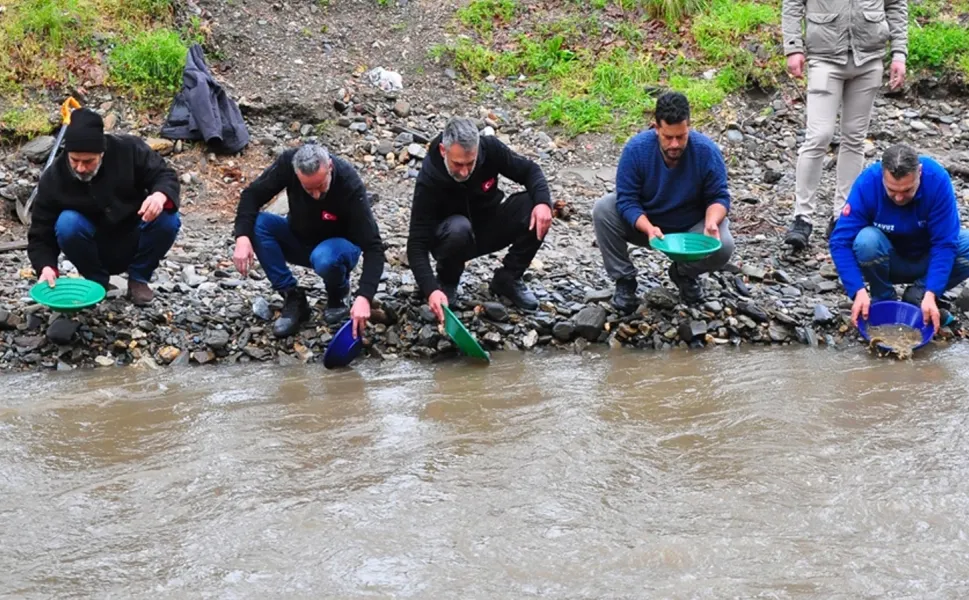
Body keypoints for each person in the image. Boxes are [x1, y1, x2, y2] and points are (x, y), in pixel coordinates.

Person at [782, 0, 909, 250]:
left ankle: (843, 215)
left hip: (869, 58)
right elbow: (793, 3)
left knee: (854, 138)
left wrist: (899, 53)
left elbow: (896, 5)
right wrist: (793, 46)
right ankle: (802, 217)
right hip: (824, 56)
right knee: (818, 136)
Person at [592, 91, 735, 312]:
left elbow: (719, 196)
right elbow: (627, 201)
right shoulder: (636, 150)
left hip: (691, 229)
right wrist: (648, 228)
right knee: (603, 209)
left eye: (681, 136)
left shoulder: (706, 151)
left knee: (724, 245)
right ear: (656, 128)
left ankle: (684, 273)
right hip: (648, 223)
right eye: (668, 137)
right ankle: (624, 281)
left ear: (689, 127)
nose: (675, 144)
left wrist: (712, 221)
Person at [27, 108, 182, 305]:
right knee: (67, 222)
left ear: (102, 152)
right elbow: (41, 233)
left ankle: (139, 279)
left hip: (135, 234)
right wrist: (46, 267)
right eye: (74, 160)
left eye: (88, 162)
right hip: (91, 245)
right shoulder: (54, 177)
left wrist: (159, 196)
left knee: (169, 218)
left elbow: (164, 175)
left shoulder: (129, 149)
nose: (81, 168)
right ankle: (96, 282)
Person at [406, 116, 553, 322]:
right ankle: (447, 283)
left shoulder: (490, 149)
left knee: (535, 206)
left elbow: (530, 171)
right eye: (458, 164)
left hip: (487, 226)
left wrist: (543, 203)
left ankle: (508, 278)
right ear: (443, 151)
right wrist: (430, 289)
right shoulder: (429, 178)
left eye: (470, 163)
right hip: (450, 238)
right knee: (459, 228)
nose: (465, 171)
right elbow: (416, 244)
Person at [232, 144, 385, 339]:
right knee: (257, 224)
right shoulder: (288, 163)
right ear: (296, 175)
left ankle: (337, 293)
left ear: (329, 167)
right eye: (308, 189)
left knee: (324, 257)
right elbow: (251, 196)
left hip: (338, 249)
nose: (316, 195)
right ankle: (293, 297)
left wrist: (364, 297)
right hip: (299, 238)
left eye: (320, 186)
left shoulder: (349, 183)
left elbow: (373, 247)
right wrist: (242, 237)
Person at [829, 144, 969, 333]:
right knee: (865, 240)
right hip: (885, 259)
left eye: (907, 190)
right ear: (882, 175)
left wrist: (931, 291)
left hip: (927, 258)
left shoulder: (937, 181)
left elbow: (944, 244)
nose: (899, 198)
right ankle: (884, 298)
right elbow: (839, 242)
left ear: (919, 172)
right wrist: (858, 291)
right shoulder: (868, 183)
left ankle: (918, 295)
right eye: (892, 190)